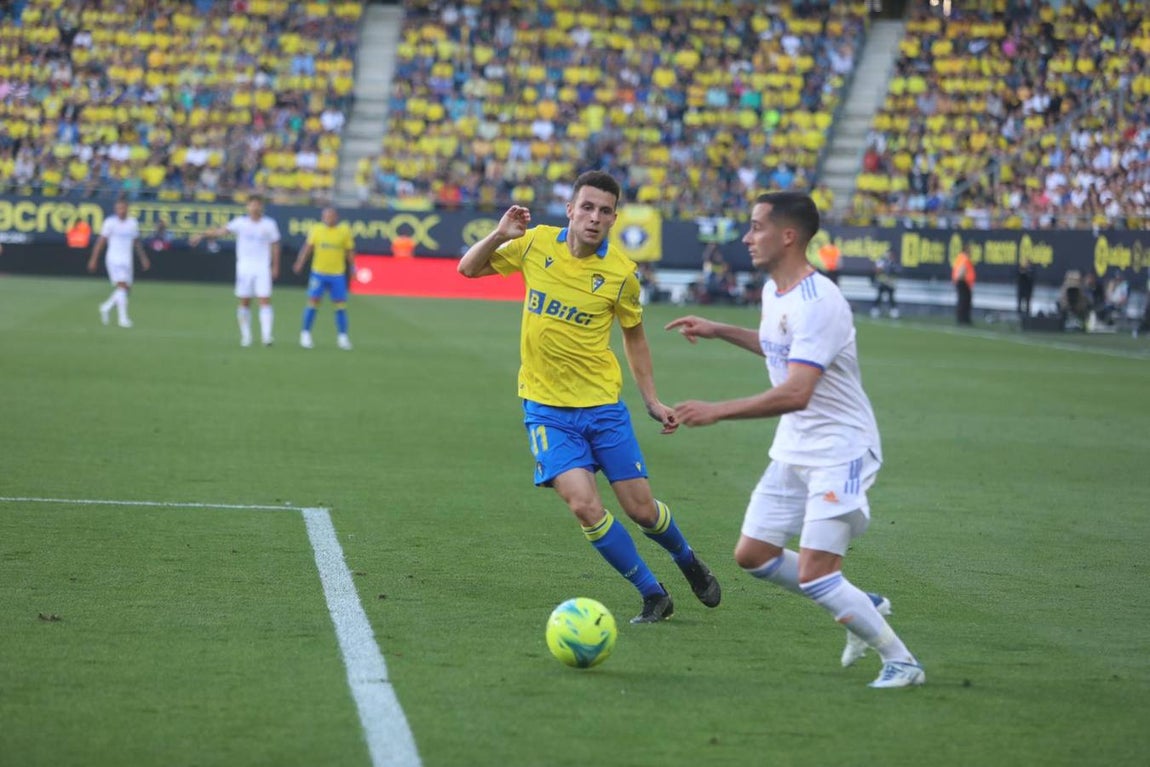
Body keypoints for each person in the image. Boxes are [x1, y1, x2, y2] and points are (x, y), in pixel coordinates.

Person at [664, 191, 924, 688]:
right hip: (796, 447)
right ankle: (860, 604)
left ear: (788, 236)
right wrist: (719, 329)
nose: (747, 237)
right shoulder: (774, 293)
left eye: (757, 226)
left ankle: (901, 660)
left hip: (839, 448)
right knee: (753, 555)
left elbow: (798, 391)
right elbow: (779, 344)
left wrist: (717, 410)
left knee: (817, 573)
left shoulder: (821, 300)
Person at [457, 170, 721, 624]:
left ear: (614, 218)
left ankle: (686, 558)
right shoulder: (535, 243)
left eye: (604, 211)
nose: (594, 218)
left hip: (602, 406)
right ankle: (653, 593)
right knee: (584, 505)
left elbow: (635, 337)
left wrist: (652, 399)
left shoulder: (621, 274)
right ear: (570, 210)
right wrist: (500, 234)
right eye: (587, 208)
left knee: (641, 510)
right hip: (545, 408)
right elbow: (468, 268)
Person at [190, 196, 281, 347]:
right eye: (252, 205)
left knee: (264, 299)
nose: (254, 208)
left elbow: (276, 245)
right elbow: (220, 231)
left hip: (262, 267)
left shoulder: (269, 224)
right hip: (244, 267)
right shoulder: (240, 223)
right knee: (245, 301)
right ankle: (246, 336)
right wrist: (201, 235)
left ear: (261, 207)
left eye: (257, 205)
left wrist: (275, 266)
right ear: (247, 207)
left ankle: (267, 336)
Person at [292, 207, 355, 350]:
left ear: (336, 217)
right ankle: (305, 334)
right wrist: (300, 262)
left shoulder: (344, 231)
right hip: (318, 273)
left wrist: (353, 267)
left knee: (340, 305)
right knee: (313, 303)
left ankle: (342, 337)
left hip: (337, 274)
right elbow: (307, 247)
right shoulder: (317, 229)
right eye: (325, 216)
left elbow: (349, 251)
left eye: (330, 216)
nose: (328, 218)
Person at [87, 197, 150, 328]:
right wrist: (94, 259)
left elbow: (136, 242)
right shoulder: (110, 223)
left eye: (123, 208)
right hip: (114, 259)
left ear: (127, 208)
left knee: (126, 290)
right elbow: (101, 242)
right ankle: (123, 319)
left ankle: (106, 307)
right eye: (118, 208)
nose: (120, 211)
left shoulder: (132, 223)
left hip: (127, 259)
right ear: (116, 209)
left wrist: (143, 258)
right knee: (122, 287)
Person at [869, 249, 899, 319]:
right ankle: (875, 310)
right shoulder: (881, 262)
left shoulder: (893, 263)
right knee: (879, 296)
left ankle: (893, 311)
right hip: (882, 282)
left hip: (890, 283)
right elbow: (876, 270)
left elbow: (896, 272)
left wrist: (891, 280)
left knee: (891, 297)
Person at [952, 246, 975, 325]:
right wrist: (961, 278)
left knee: (962, 300)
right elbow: (962, 269)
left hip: (961, 281)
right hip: (963, 281)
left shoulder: (960, 258)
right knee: (964, 301)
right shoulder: (964, 258)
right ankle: (963, 319)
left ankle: (962, 318)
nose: (971, 252)